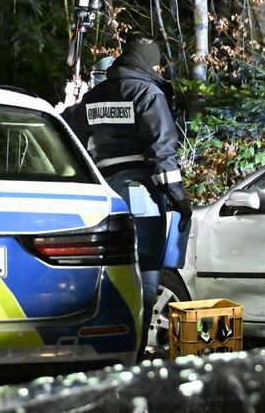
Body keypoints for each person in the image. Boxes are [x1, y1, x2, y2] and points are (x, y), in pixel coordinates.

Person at [65, 34, 192, 358]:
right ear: (147, 61)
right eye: (156, 62)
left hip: (107, 191)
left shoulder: (96, 95)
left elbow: (70, 134)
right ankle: (136, 348)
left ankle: (110, 344)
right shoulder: (148, 93)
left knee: (113, 268)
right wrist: (177, 195)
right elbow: (162, 148)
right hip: (142, 192)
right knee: (147, 269)